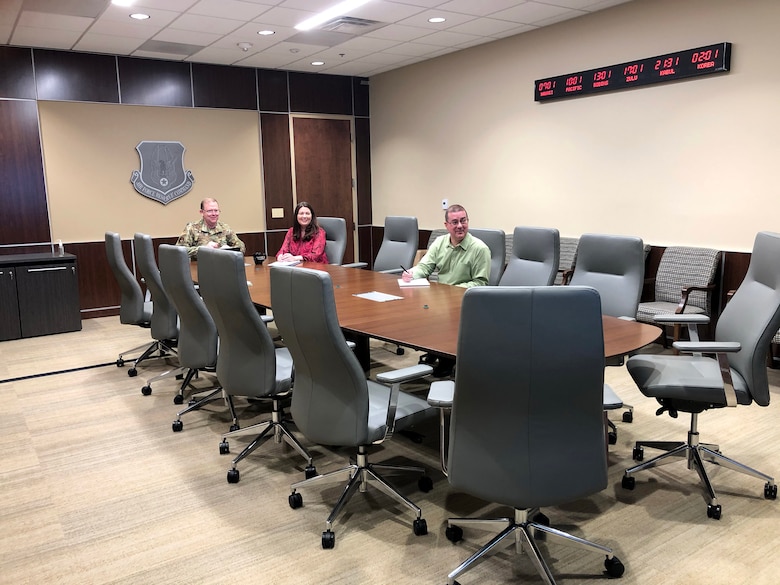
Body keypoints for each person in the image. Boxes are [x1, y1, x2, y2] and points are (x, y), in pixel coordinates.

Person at [402, 204, 490, 376]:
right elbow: (425, 267)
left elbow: (481, 284)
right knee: (420, 311)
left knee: (439, 314)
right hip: (440, 302)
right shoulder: (440, 242)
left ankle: (445, 358)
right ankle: (435, 351)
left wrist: (450, 291)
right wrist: (412, 274)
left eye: (463, 221)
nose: (460, 226)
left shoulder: (480, 249)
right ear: (447, 225)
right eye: (455, 222)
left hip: (464, 303)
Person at [176, 198, 245, 258]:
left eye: (216, 210)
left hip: (222, 266)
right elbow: (180, 251)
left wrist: (228, 250)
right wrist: (203, 250)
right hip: (198, 268)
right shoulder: (191, 228)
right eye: (210, 211)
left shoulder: (224, 228)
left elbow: (241, 246)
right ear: (201, 212)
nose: (214, 214)